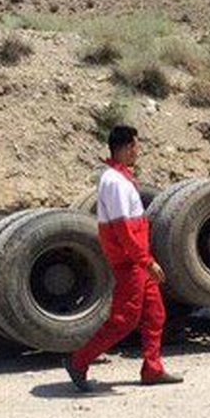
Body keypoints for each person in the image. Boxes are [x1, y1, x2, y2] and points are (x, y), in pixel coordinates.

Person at [65, 125, 182, 390]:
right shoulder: (115, 182)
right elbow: (123, 229)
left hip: (137, 258)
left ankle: (152, 369)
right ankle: (78, 361)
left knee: (155, 314)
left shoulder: (120, 178)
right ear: (127, 147)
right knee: (125, 319)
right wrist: (146, 261)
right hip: (130, 261)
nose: (138, 152)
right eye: (136, 146)